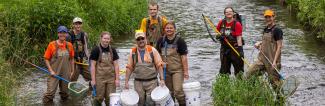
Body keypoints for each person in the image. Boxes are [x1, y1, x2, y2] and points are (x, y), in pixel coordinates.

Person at [245, 9, 283, 89]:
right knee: (249, 74)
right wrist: (260, 44)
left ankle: (280, 100)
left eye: (270, 17)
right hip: (262, 59)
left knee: (275, 85)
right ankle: (256, 92)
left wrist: (274, 62)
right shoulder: (265, 29)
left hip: (272, 61)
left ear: (274, 17)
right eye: (266, 17)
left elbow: (279, 46)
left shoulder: (277, 30)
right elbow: (267, 41)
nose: (268, 19)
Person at [125, 31, 165, 106]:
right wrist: (126, 82)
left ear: (145, 39)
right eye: (138, 39)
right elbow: (129, 68)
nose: (141, 41)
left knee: (151, 102)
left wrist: (162, 79)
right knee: (140, 102)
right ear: (136, 41)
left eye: (142, 38)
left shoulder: (152, 50)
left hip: (152, 82)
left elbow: (159, 65)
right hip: (138, 83)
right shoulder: (132, 52)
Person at [156, 21, 189, 106]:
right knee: (169, 93)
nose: (169, 30)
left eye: (171, 28)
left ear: (174, 29)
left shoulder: (180, 41)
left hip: (177, 70)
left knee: (178, 91)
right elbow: (157, 55)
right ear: (164, 30)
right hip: (165, 71)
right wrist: (161, 62)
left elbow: (184, 57)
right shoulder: (161, 40)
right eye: (167, 28)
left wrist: (186, 72)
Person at [43, 26, 75, 103]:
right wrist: (50, 70)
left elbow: (72, 58)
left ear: (66, 34)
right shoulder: (51, 44)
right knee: (50, 94)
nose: (62, 34)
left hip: (66, 72)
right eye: (60, 32)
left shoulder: (69, 45)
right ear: (58, 34)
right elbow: (46, 59)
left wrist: (72, 71)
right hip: (54, 72)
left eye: (64, 33)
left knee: (65, 94)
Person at [89, 31, 120, 105]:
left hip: (111, 78)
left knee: (110, 98)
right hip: (99, 78)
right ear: (101, 38)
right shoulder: (95, 50)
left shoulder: (112, 50)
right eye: (105, 38)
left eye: (108, 39)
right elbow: (92, 66)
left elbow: (116, 65)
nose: (106, 40)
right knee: (99, 98)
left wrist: (117, 79)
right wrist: (93, 80)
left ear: (110, 40)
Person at [216, 7, 244, 75]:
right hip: (224, 49)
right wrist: (219, 36)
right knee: (224, 71)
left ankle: (239, 84)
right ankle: (225, 83)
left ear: (233, 13)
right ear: (224, 14)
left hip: (235, 49)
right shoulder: (221, 22)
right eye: (227, 12)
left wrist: (240, 50)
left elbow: (239, 38)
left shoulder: (237, 24)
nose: (229, 13)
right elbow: (217, 34)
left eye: (230, 11)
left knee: (238, 71)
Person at [67, 17, 91, 82]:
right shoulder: (68, 35)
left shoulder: (84, 34)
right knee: (73, 78)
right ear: (73, 25)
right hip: (73, 60)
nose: (78, 25)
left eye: (79, 24)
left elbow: (86, 47)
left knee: (91, 76)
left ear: (81, 25)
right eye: (76, 24)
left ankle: (91, 89)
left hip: (82, 59)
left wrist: (88, 58)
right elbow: (66, 49)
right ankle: (69, 90)